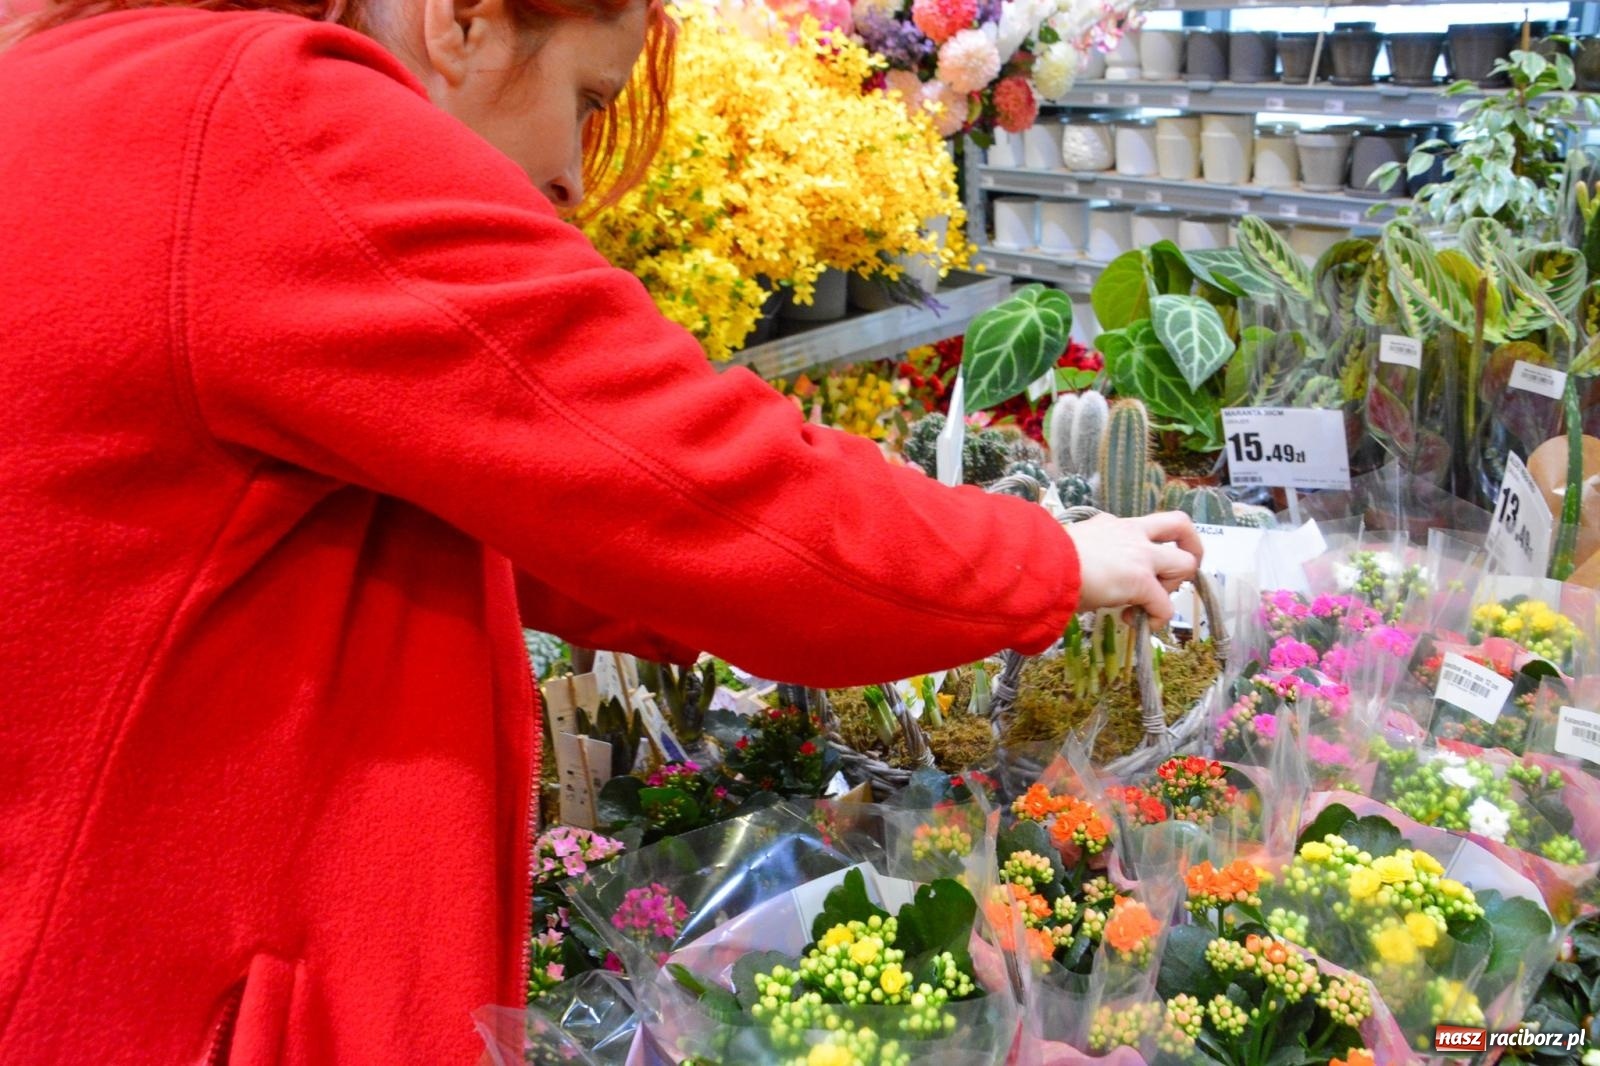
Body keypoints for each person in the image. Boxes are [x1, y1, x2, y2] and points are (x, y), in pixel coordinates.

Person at [0, 0, 1200, 1058]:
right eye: (586, 99)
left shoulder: (111, 79)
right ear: (459, 20)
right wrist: (1042, 555)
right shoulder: (274, 118)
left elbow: (551, 513)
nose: (574, 175)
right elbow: (699, 485)